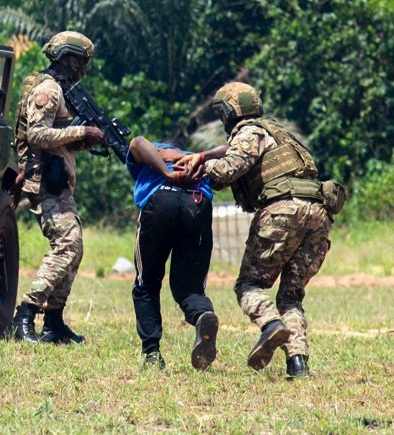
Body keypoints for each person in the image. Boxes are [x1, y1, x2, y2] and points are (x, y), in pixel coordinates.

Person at [176, 82, 332, 379]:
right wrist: (206, 156)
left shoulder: (247, 131)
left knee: (249, 285)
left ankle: (271, 325)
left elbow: (228, 169)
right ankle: (298, 364)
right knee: (291, 296)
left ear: (228, 112)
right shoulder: (277, 133)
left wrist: (197, 170)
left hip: (283, 211)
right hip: (318, 213)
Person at [10, 31, 106, 344]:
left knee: (75, 248)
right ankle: (25, 314)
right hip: (44, 182)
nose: (83, 69)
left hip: (58, 181)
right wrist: (81, 129)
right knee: (67, 244)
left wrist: (84, 139)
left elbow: (60, 141)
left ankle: (53, 321)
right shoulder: (49, 90)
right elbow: (37, 134)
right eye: (81, 62)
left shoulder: (61, 91)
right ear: (67, 58)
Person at [125, 136, 227, 370]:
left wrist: (169, 172)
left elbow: (138, 142)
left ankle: (152, 354)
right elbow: (231, 149)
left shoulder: (156, 151)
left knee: (146, 282)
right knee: (190, 287)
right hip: (198, 204)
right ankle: (202, 315)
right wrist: (202, 156)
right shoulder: (198, 159)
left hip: (161, 199)